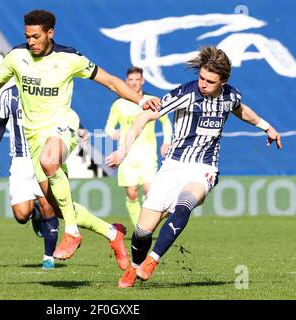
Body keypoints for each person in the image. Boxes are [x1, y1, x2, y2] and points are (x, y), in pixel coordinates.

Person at [0, 10, 156, 269]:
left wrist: (142, 99)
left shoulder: (70, 58)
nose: (31, 41)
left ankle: (72, 233)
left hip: (63, 126)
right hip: (34, 139)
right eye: (27, 36)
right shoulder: (17, 57)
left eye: (36, 36)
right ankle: (113, 233)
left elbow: (112, 82)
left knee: (49, 161)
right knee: (58, 206)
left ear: (50, 33)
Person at [106, 46, 282, 288]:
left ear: (223, 81)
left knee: (184, 205)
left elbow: (242, 111)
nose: (203, 84)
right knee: (142, 232)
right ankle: (135, 267)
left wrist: (266, 126)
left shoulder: (230, 96)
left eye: (210, 81)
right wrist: (122, 151)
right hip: (173, 166)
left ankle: (152, 261)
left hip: (204, 167)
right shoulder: (186, 93)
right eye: (201, 77)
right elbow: (145, 117)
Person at [0, 84, 59, 269]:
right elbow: (0, 123)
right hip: (20, 160)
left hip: (45, 156)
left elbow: (63, 113)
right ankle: (34, 214)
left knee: (48, 206)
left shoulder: (47, 86)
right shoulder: (8, 95)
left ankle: (49, 257)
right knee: (21, 215)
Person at [105, 66, 173, 226]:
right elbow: (108, 126)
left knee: (150, 192)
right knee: (132, 193)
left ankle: (146, 225)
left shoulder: (152, 101)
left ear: (142, 81)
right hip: (127, 155)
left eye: (137, 80)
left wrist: (167, 141)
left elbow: (166, 122)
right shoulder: (119, 104)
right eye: (131, 80)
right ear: (126, 82)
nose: (134, 83)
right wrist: (112, 133)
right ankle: (139, 229)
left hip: (147, 154)